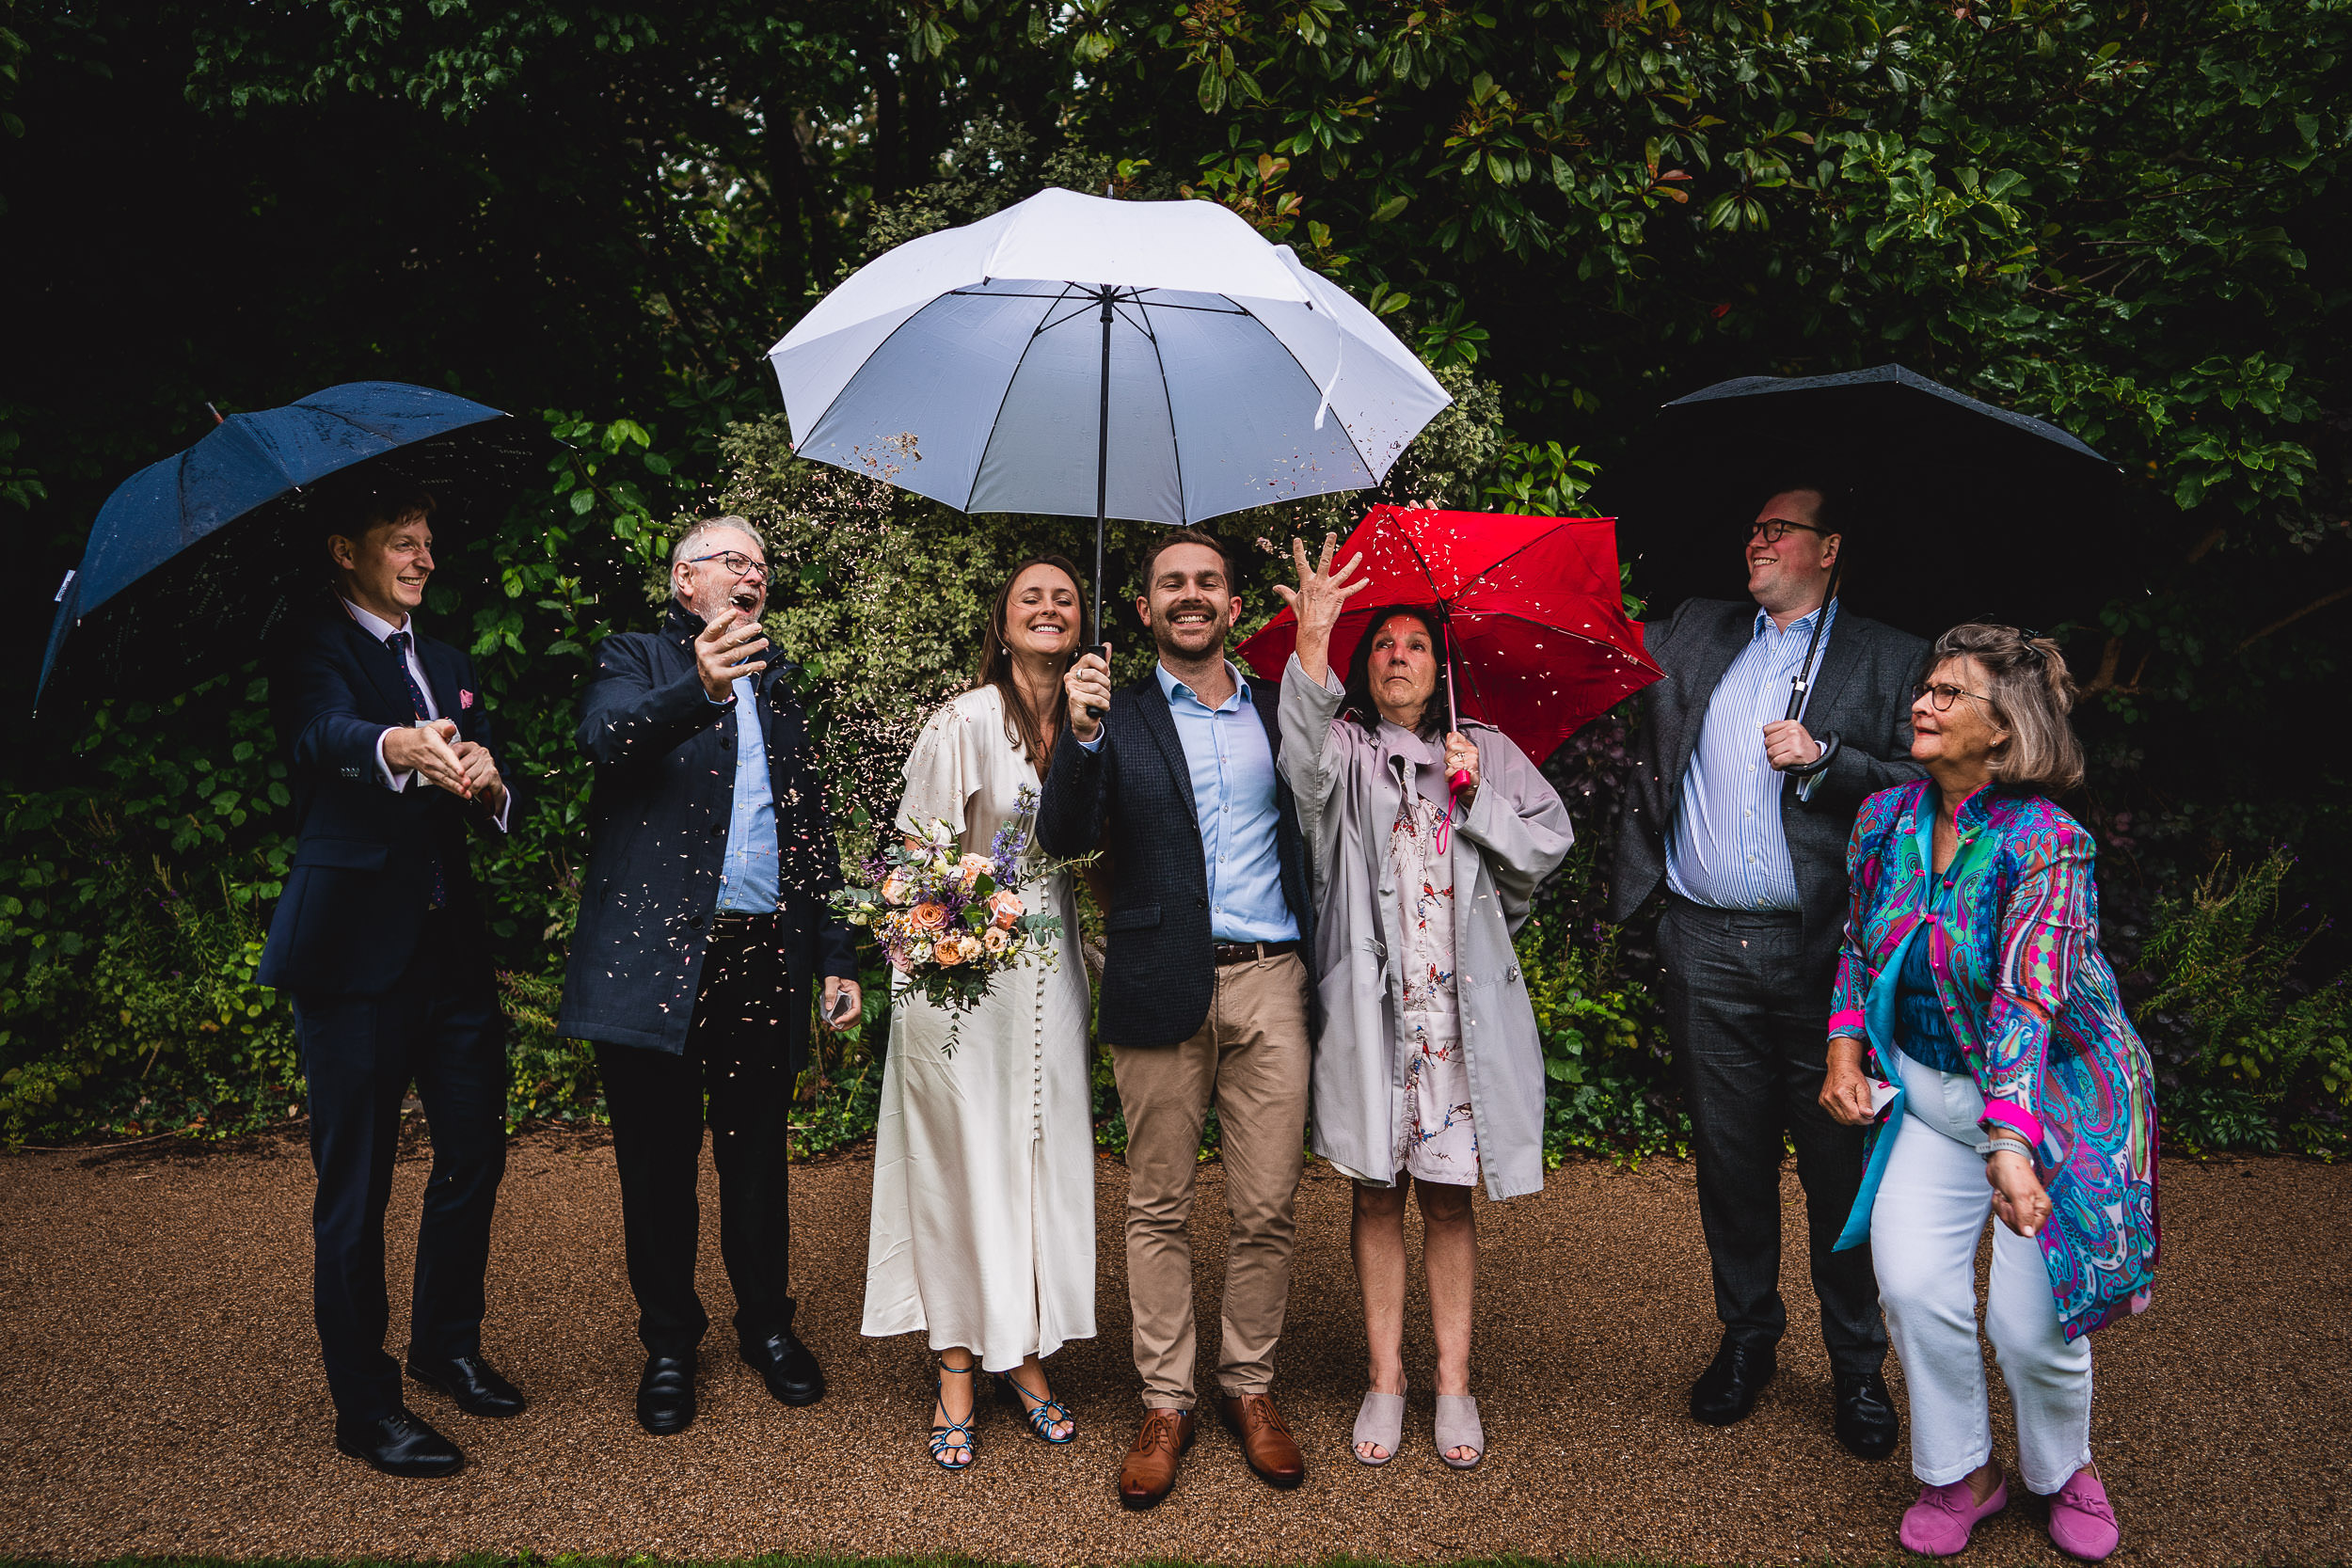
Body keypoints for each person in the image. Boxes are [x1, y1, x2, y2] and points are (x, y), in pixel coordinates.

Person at [1821, 624, 2157, 1561]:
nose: (1919, 703)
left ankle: (2062, 1467)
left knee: (2028, 1319)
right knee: (1913, 1281)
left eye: (1946, 692)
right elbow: (1856, 947)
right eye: (1922, 688)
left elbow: (2024, 991)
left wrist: (2010, 1142)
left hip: (2053, 1104)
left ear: (2003, 729)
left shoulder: (2049, 840)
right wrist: (1845, 1052)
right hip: (1931, 1092)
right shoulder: (1882, 819)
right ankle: (1962, 1468)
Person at [1607, 481, 1929, 1456]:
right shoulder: (1700, 631)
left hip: (1823, 952)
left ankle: (1856, 1366)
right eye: (1751, 526)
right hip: (1702, 942)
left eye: (1776, 528)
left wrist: (1828, 756)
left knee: (1838, 1163)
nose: (1755, 539)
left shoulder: (1885, 653)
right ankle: (1747, 1339)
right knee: (1729, 1159)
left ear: (1827, 548)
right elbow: (1599, 647)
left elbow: (1929, 775)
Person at [555, 515, 862, 1436]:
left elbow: (808, 830)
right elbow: (604, 740)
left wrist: (836, 954)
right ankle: (668, 1344)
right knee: (656, 1166)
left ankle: (767, 1326)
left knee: (755, 1156)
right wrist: (697, 683)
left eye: (762, 563)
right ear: (685, 581)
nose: (753, 572)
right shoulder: (638, 658)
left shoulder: (786, 688)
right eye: (734, 558)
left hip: (761, 955)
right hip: (655, 959)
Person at [1272, 536, 1573, 1470]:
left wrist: (1478, 796)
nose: (1397, 652)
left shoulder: (1482, 749)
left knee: (1446, 1199)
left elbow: (1546, 846)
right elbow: (1300, 770)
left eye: (1413, 643)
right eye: (1382, 645)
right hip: (1373, 1015)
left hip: (1456, 1021)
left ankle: (1451, 1382)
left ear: (1439, 666)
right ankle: (1384, 1379)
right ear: (1365, 673)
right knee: (1374, 1190)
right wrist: (1314, 637)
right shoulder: (1349, 752)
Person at [1037, 527, 1316, 1510]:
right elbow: (1063, 838)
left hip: (1272, 979)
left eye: (1208, 581)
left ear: (1233, 606)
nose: (1191, 594)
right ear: (1145, 609)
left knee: (1266, 1205)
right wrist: (1077, 736)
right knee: (1157, 1201)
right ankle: (1165, 1400)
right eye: (1171, 584)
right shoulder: (1113, 710)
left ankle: (1248, 1385)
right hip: (1157, 974)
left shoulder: (1282, 711)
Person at [258, 481, 521, 1477]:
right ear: (345, 551)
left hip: (451, 956)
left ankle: (444, 1344)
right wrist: (392, 744)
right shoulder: (309, 645)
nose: (422, 558)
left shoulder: (447, 662)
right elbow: (321, 736)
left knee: (475, 1155)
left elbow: (487, 785)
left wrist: (491, 785)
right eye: (401, 543)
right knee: (356, 1186)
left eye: (427, 543)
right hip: (350, 960)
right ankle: (365, 1405)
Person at [862, 555, 1097, 1471]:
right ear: (1002, 624)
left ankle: (1023, 1350)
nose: (1047, 607)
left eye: (1065, 597)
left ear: (1081, 626)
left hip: (1054, 972)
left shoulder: (1089, 723)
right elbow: (916, 859)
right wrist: (947, 945)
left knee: (1036, 1160)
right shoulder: (961, 722)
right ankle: (957, 1362)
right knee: (964, 1162)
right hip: (962, 977)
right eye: (1030, 596)